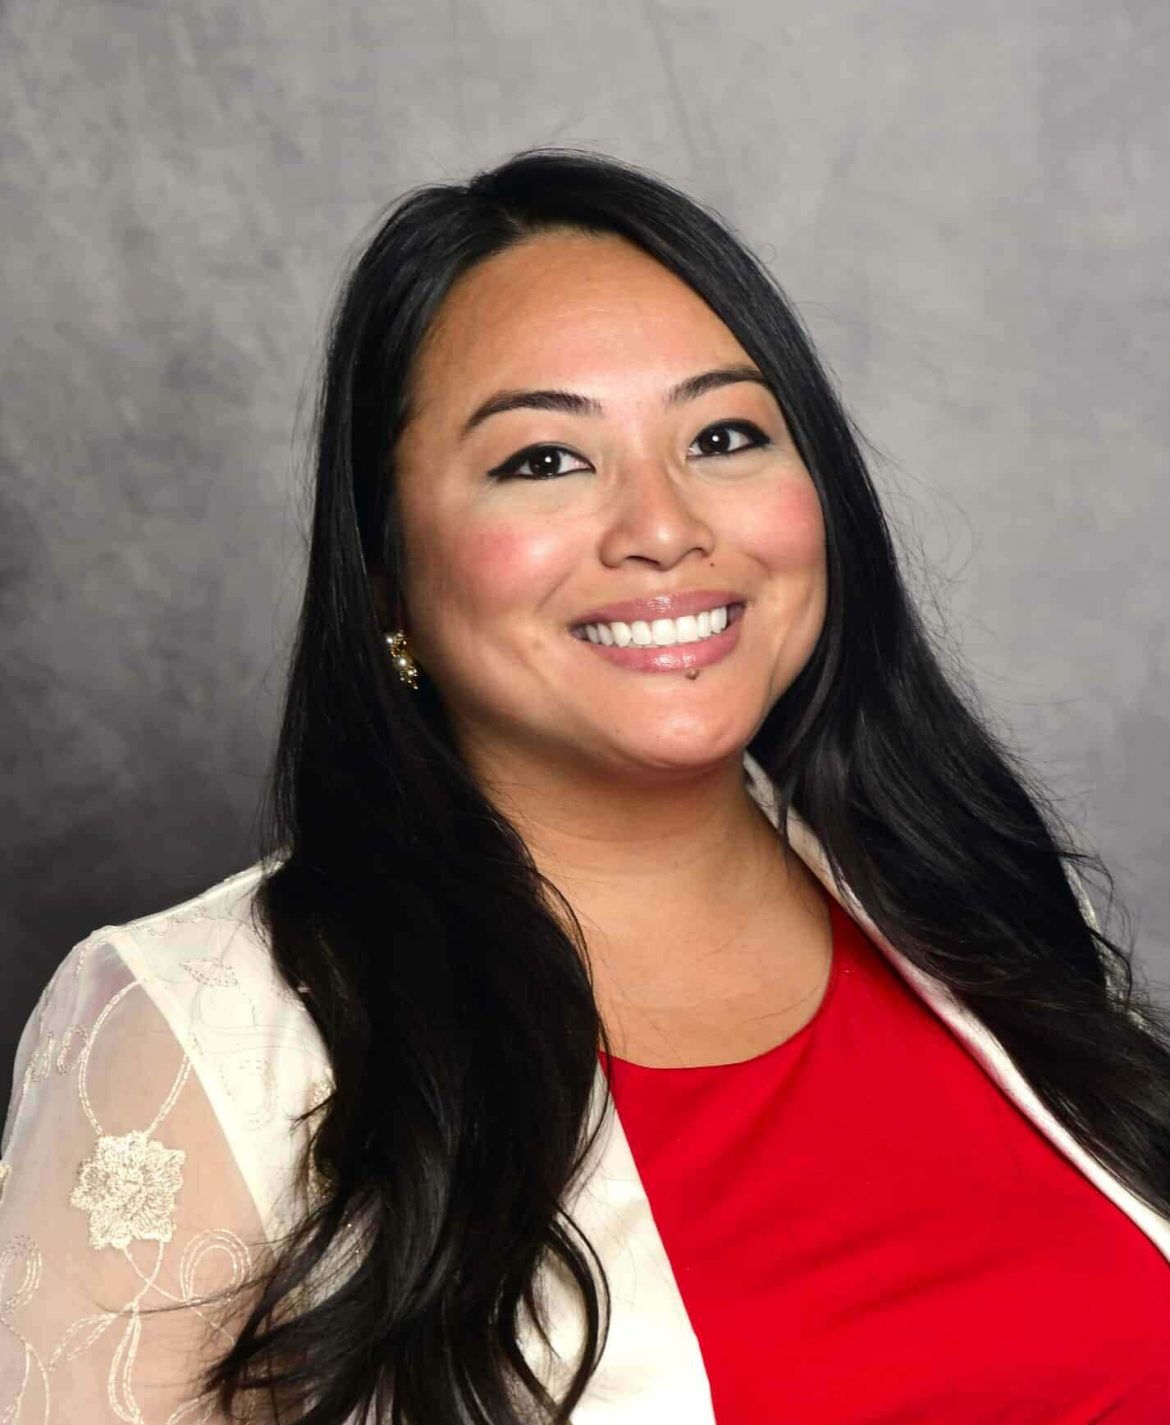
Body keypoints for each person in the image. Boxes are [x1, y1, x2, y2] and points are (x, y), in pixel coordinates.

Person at [1, 149, 1167, 1425]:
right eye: (546, 461)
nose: (664, 528)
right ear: (387, 577)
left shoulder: (974, 901)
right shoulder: (185, 1033)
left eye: (722, 436)